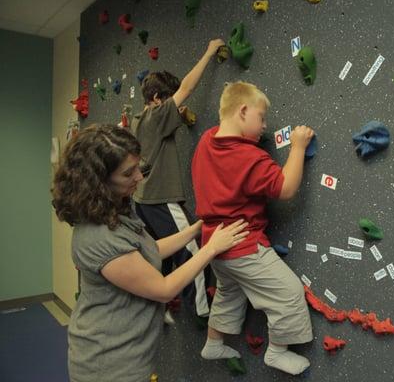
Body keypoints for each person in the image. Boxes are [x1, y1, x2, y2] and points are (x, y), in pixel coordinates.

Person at [51, 124, 249, 382]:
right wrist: (211, 248)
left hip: (127, 354)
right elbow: (164, 288)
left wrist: (195, 230)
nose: (139, 178)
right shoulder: (97, 236)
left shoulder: (114, 209)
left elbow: (149, 251)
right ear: (99, 182)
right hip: (108, 364)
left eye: (137, 167)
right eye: (128, 173)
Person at [191, 81, 315, 375]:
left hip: (214, 247)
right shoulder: (250, 156)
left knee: (228, 293)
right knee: (288, 294)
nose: (264, 127)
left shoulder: (206, 141)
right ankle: (277, 351)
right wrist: (297, 147)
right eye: (261, 118)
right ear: (243, 111)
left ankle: (214, 341)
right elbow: (285, 188)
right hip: (244, 245)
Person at [131, 38, 225, 324]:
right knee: (191, 250)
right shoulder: (159, 113)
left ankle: (156, 307)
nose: (178, 103)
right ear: (158, 99)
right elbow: (187, 87)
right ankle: (202, 313)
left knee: (158, 255)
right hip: (162, 198)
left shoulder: (138, 119)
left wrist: (181, 118)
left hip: (142, 201)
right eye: (170, 99)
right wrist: (209, 51)